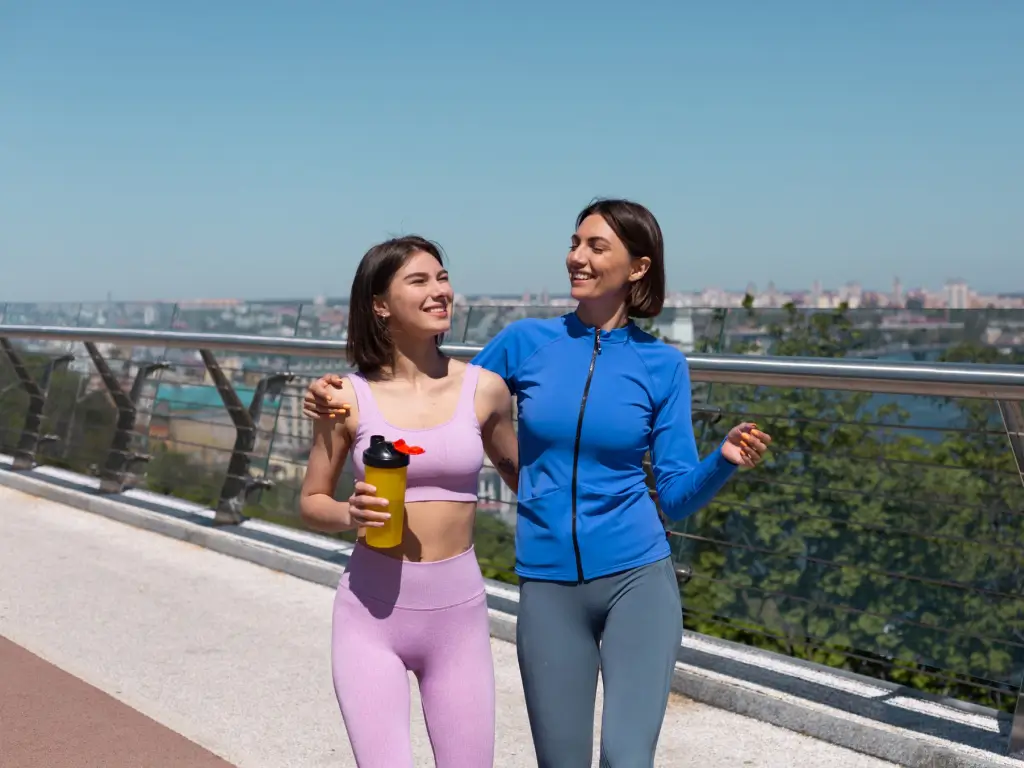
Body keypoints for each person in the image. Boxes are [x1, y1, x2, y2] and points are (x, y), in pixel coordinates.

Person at [303, 200, 772, 767]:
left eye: (596, 246)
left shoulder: (663, 366)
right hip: (548, 584)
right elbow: (438, 391)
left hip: (637, 575)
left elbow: (673, 496)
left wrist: (720, 460)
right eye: (575, 242)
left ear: (638, 268)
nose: (576, 256)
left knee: (627, 757)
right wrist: (339, 391)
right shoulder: (526, 342)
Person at [299, 235, 519, 768]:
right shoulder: (345, 397)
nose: (439, 290)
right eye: (419, 280)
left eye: (442, 278)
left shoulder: (486, 389)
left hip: (458, 618)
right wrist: (349, 513)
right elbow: (310, 500)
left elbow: (530, 479)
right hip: (370, 618)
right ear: (379, 304)